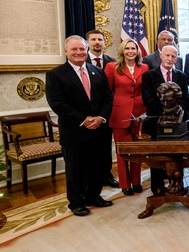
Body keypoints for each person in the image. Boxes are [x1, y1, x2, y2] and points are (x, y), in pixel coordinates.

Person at [45, 36, 114, 217]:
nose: (79, 52)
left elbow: (108, 97)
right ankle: (76, 202)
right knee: (75, 169)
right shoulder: (55, 75)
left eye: (82, 49)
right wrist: (83, 120)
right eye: (74, 49)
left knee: (97, 166)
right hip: (74, 131)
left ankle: (93, 196)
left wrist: (100, 118)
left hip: (98, 129)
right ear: (66, 51)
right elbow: (58, 104)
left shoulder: (97, 71)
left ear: (87, 50)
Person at [141, 45, 189, 194]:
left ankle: (178, 184)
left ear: (176, 58)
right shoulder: (149, 76)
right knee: (157, 156)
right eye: (167, 55)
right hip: (156, 122)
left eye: (173, 56)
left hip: (177, 124)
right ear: (161, 55)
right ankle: (157, 187)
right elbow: (148, 99)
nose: (170, 59)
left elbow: (185, 99)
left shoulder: (181, 76)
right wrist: (166, 112)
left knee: (177, 156)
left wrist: (174, 113)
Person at [104, 38, 148, 196]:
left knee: (137, 150)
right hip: (119, 114)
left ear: (138, 51)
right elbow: (107, 92)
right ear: (122, 50)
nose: (130, 51)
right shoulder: (112, 67)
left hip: (139, 113)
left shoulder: (144, 67)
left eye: (133, 48)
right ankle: (125, 184)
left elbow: (145, 90)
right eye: (127, 48)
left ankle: (136, 182)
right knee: (122, 151)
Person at [85, 29, 118, 188]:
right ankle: (89, 179)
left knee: (105, 147)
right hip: (86, 114)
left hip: (106, 112)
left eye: (100, 39)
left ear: (104, 43)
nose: (97, 42)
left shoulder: (113, 62)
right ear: (87, 43)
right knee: (88, 149)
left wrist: (104, 113)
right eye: (93, 39)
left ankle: (106, 175)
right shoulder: (80, 60)